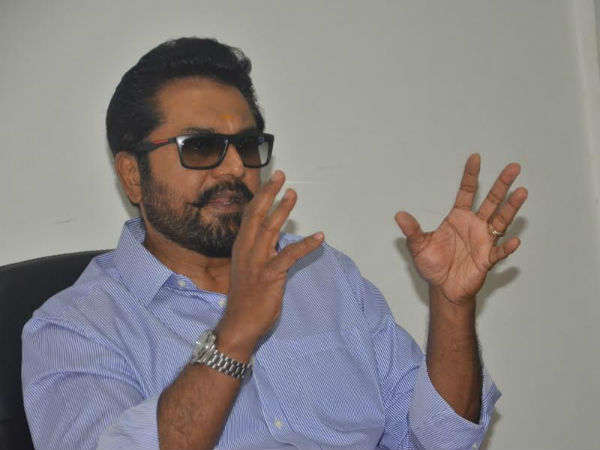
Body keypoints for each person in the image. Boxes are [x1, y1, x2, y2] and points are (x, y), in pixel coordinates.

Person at [21, 37, 527, 450]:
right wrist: (236, 332)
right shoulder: (76, 327)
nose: (235, 168)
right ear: (133, 175)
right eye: (200, 146)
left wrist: (452, 305)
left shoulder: (323, 274)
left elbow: (440, 440)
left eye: (246, 145)